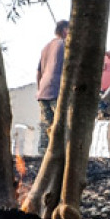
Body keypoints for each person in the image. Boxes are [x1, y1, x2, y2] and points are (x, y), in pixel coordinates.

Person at [36, 20, 69, 154]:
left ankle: (43, 155)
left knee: (46, 126)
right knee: (62, 125)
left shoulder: (46, 47)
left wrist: (39, 90)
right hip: (56, 90)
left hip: (43, 91)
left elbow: (38, 72)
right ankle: (62, 155)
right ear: (65, 30)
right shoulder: (65, 45)